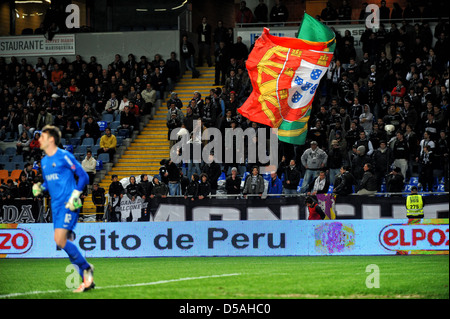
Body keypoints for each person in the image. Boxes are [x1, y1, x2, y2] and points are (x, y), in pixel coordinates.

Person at [31, 125, 94, 293]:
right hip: (56, 206)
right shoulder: (44, 162)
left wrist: (75, 195)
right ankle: (86, 276)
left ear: (51, 139)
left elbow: (84, 176)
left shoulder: (64, 156)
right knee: (62, 241)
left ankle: (87, 269)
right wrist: (40, 188)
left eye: (42, 137)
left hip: (69, 203)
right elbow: (49, 182)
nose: (39, 140)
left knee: (59, 239)